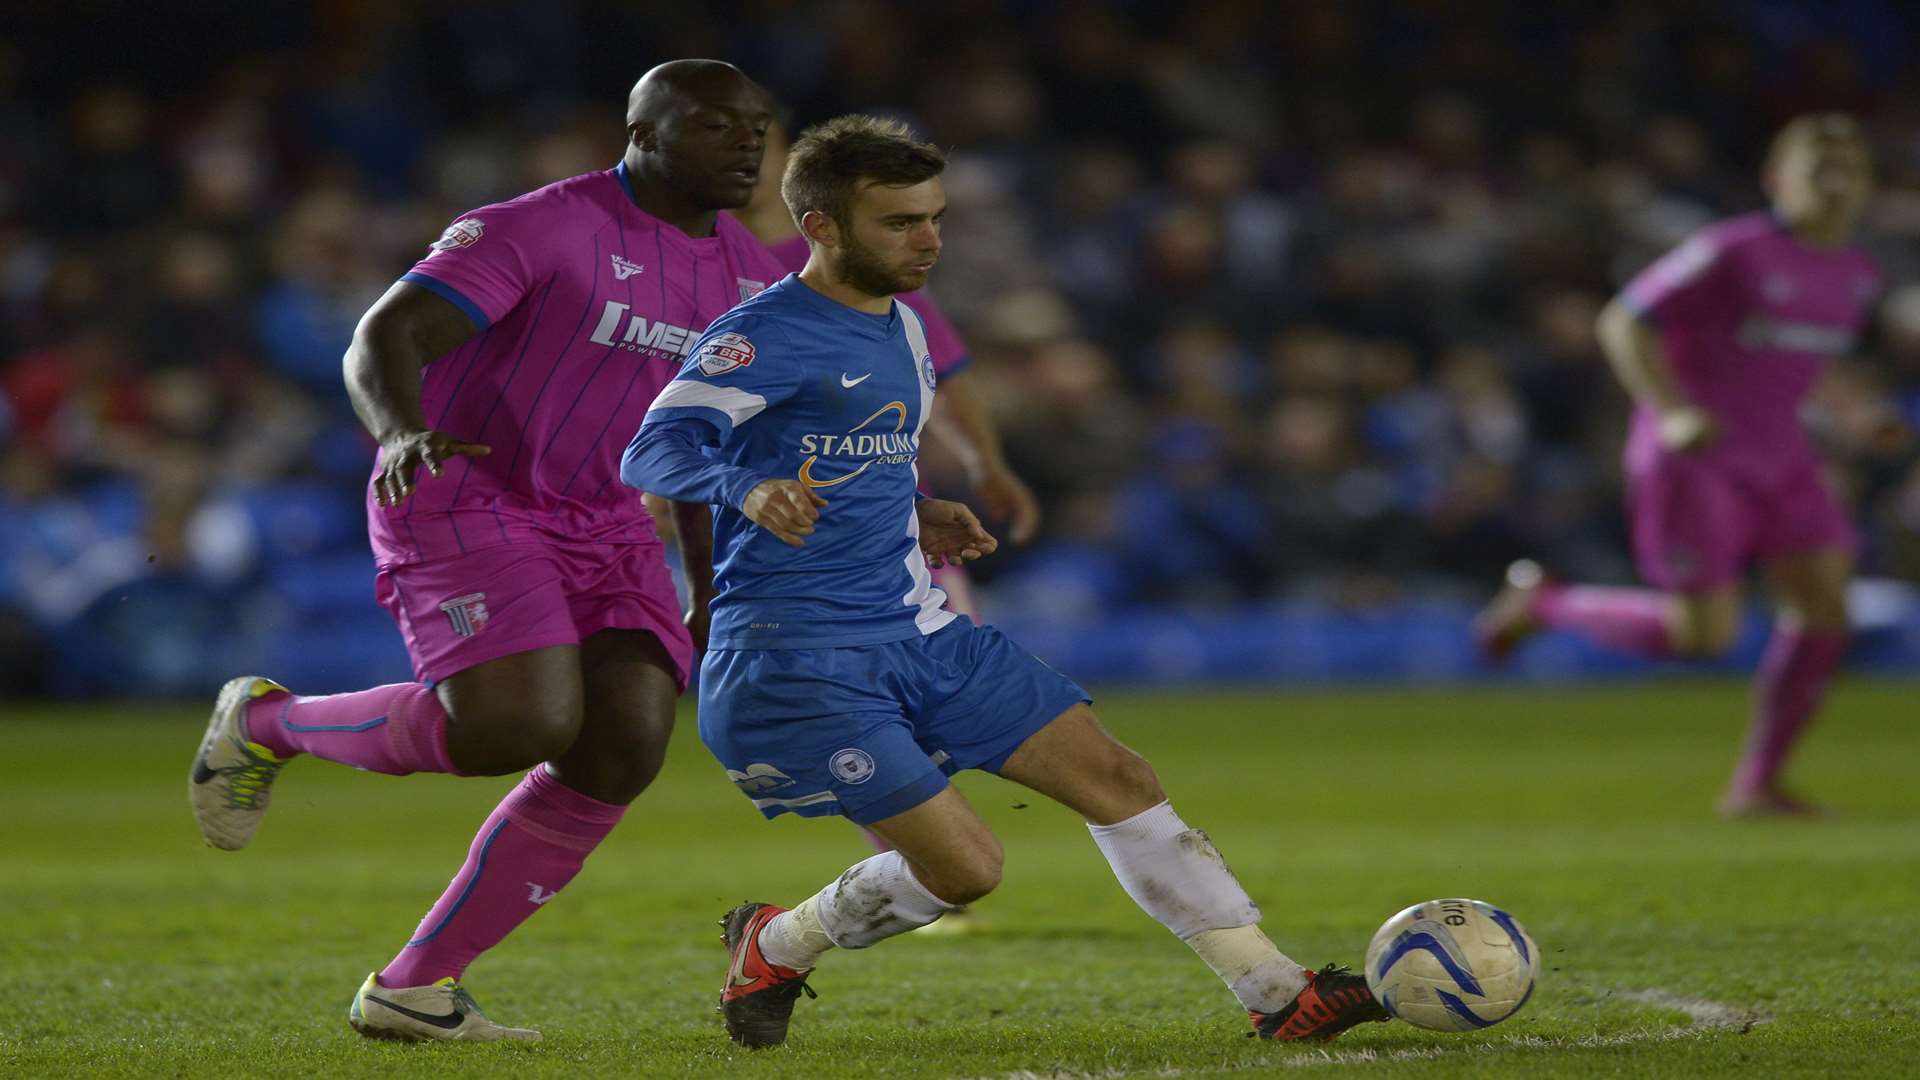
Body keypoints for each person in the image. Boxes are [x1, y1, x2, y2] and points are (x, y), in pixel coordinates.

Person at [621, 114, 1388, 1048]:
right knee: (967, 873)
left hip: (919, 628)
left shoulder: (902, 328)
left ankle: (1278, 992)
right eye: (900, 222)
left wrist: (921, 510)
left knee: (1119, 775)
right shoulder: (762, 336)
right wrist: (746, 483)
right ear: (821, 226)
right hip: (795, 656)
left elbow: (859, 460)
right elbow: (654, 446)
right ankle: (778, 942)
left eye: (935, 217)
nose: (929, 240)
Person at [188, 60, 788, 1041]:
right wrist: (398, 433)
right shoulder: (544, 225)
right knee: (513, 726)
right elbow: (385, 335)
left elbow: (712, 439)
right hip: (467, 489)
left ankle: (414, 988)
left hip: (604, 516)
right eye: (718, 125)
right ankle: (269, 725)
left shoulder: (753, 277)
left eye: (756, 126)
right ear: (641, 133)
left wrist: (714, 580)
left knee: (626, 739)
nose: (747, 143)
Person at [1476, 114, 1882, 818]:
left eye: (1849, 170)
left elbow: (1797, 362)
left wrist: (1857, 416)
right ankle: (1545, 603)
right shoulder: (1731, 250)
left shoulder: (1857, 272)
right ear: (1776, 181)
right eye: (1819, 169)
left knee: (1825, 605)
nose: (1835, 184)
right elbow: (1622, 321)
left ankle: (1757, 785)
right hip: (1698, 457)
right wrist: (1669, 411)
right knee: (1704, 638)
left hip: (1785, 457)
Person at [733, 111, 1041, 915]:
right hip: (756, 534)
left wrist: (983, 463)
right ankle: (930, 865)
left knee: (926, 676)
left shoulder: (861, 257)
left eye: (751, 139)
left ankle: (934, 863)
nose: (739, 156)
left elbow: (942, 357)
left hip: (882, 522)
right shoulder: (700, 268)